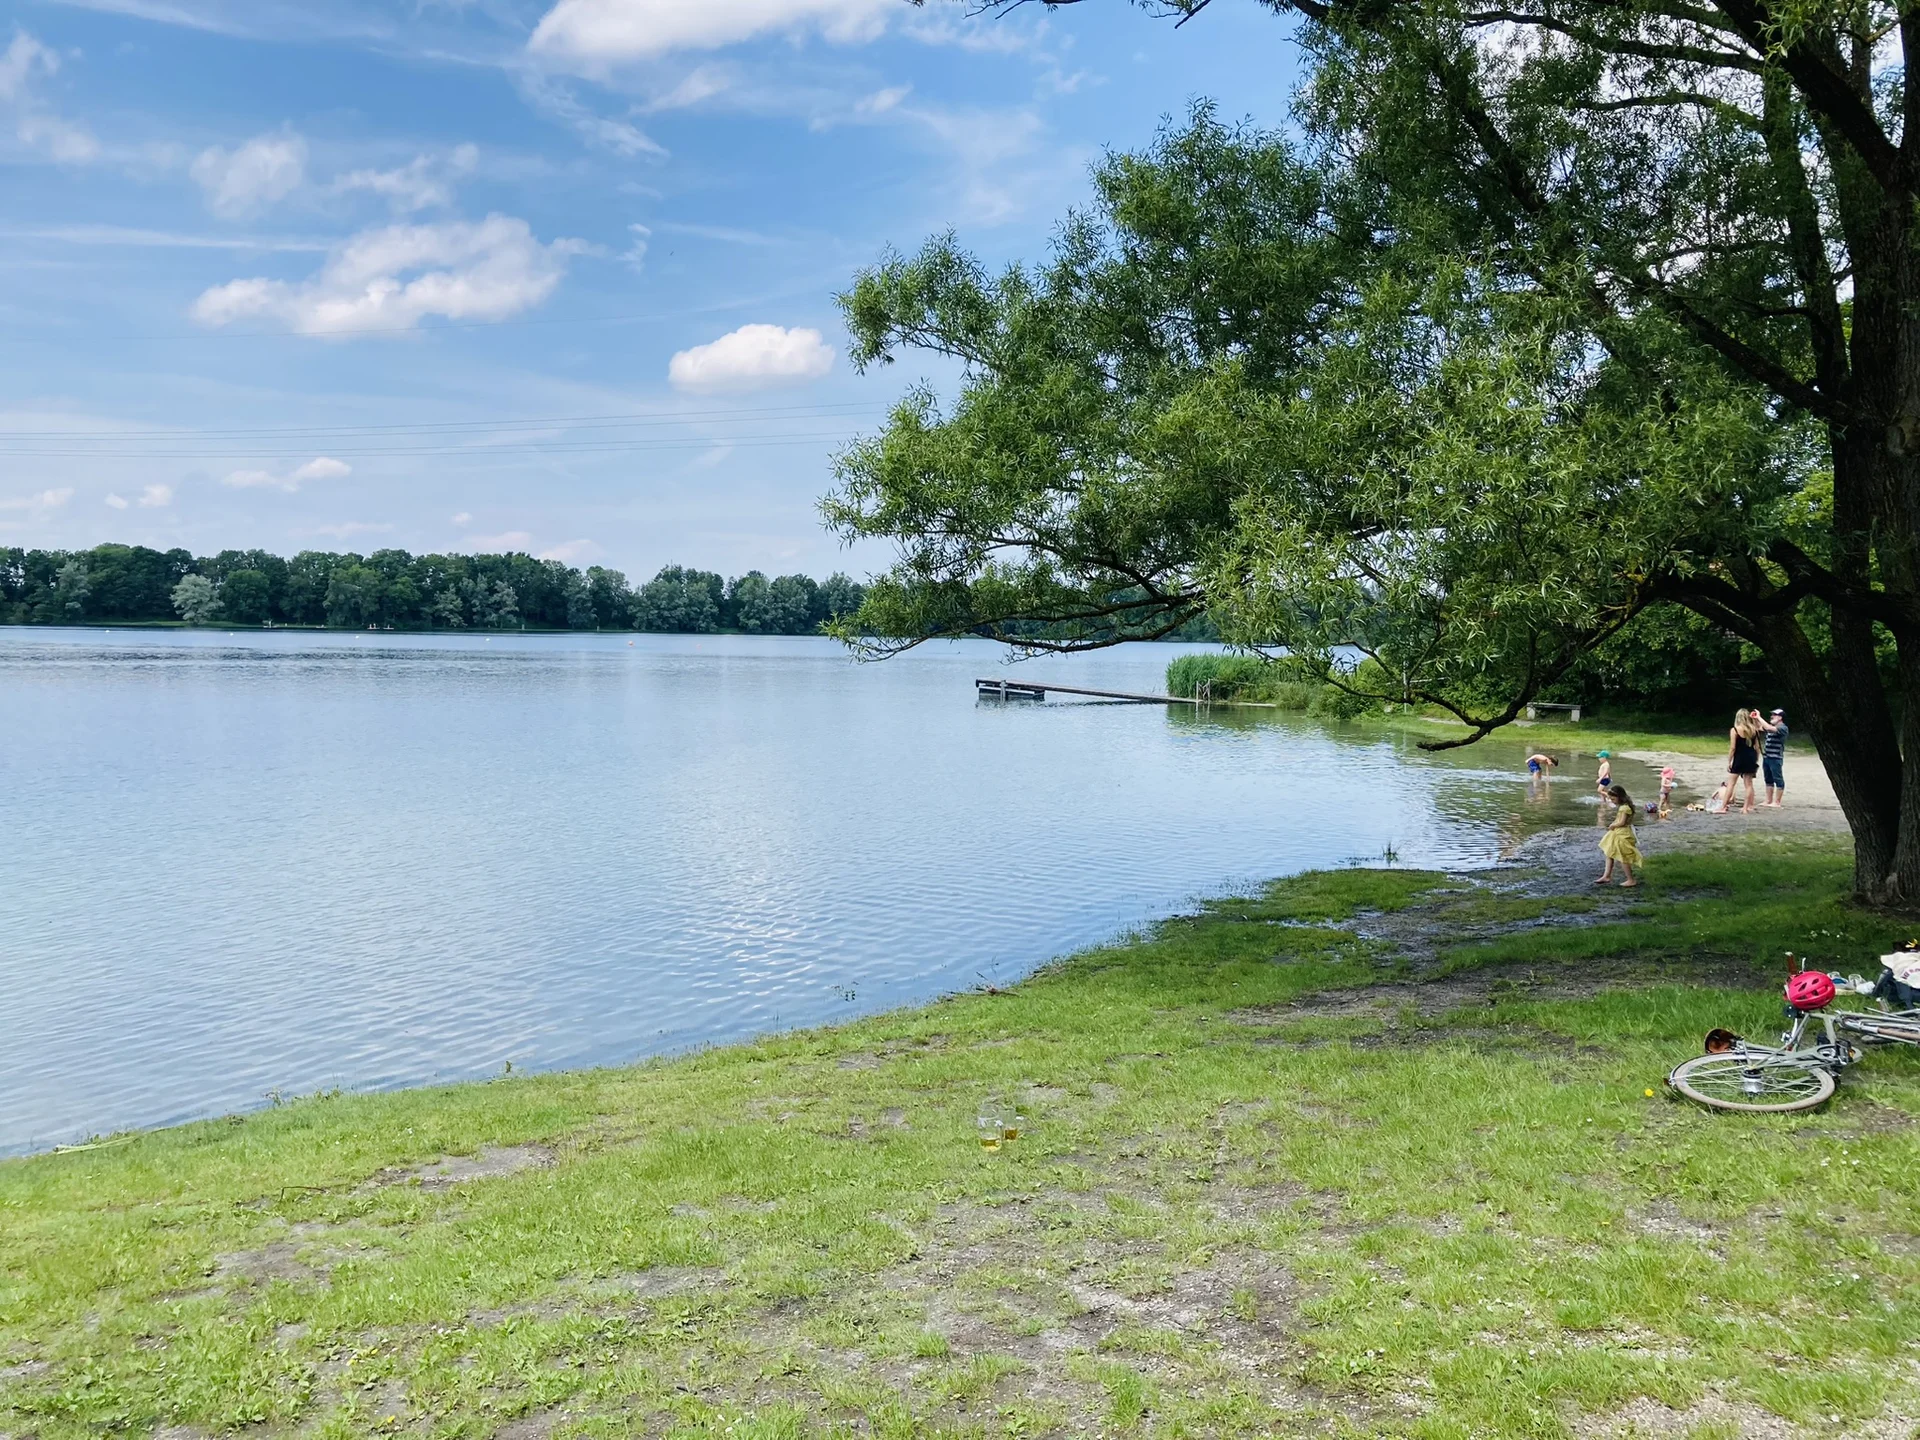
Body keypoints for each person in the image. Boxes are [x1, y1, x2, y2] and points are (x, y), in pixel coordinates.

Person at [1596, 784, 1642, 887]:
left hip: (1622, 834)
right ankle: (1606, 875)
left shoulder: (1624, 808)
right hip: (1617, 833)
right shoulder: (1624, 806)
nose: (1612, 801)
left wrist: (1613, 825)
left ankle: (1630, 879)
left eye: (1613, 799)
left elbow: (1622, 822)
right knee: (1609, 852)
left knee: (1623, 857)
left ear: (1619, 797)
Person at [1726, 709, 1762, 814]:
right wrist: (1756, 759)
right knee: (1749, 784)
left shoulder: (1735, 730)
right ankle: (1747, 807)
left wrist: (1729, 761)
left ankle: (1723, 806)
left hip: (1739, 758)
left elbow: (1733, 748)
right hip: (1751, 757)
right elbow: (1757, 747)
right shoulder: (1754, 730)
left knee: (1731, 783)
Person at [1757, 708, 1788, 807]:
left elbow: (1768, 728)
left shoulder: (1783, 728)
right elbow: (1760, 727)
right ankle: (1768, 800)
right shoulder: (1771, 726)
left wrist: (1758, 717)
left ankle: (1777, 802)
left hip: (1776, 758)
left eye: (1775, 715)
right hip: (1767, 757)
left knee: (1778, 778)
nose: (1772, 716)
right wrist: (1755, 718)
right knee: (1768, 779)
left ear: (1780, 717)